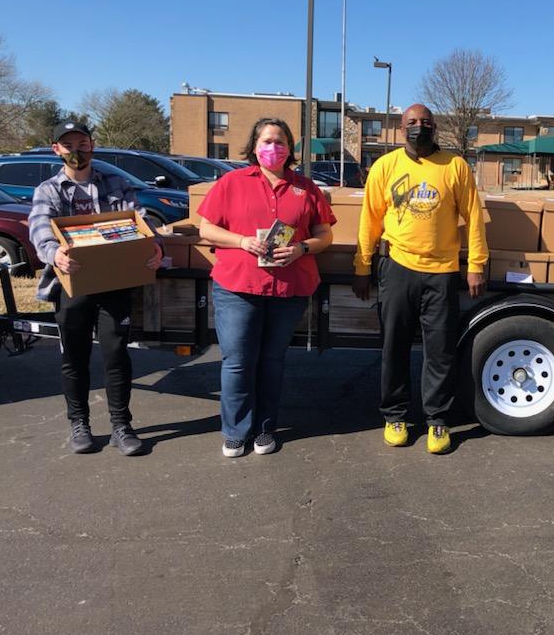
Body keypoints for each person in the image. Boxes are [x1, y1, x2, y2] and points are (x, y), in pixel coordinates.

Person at [352, 103, 488, 455]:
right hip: (397, 268)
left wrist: (476, 264)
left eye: (425, 122)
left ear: (435, 127)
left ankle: (437, 420)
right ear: (401, 130)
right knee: (394, 347)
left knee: (440, 351)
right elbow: (370, 221)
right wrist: (362, 266)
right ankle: (395, 416)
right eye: (412, 123)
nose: (419, 127)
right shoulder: (385, 166)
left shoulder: (455, 166)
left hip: (442, 272)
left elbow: (473, 217)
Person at [198, 118, 335, 458]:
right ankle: (235, 431)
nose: (273, 147)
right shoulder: (232, 182)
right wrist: (242, 241)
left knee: (272, 360)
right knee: (238, 361)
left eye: (280, 141)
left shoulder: (306, 188)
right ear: (254, 145)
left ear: (290, 148)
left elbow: (325, 235)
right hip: (238, 287)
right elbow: (206, 229)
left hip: (288, 289)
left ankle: (264, 428)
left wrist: (303, 247)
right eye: (266, 140)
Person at [29, 121, 163, 456]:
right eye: (68, 144)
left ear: (93, 145)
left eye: (83, 143)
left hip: (114, 283)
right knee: (74, 357)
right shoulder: (49, 190)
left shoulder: (115, 183)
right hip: (71, 285)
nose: (77, 150)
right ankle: (80, 423)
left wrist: (153, 245)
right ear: (56, 149)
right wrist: (54, 253)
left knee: (116, 354)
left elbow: (140, 220)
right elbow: (40, 229)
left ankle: (121, 425)